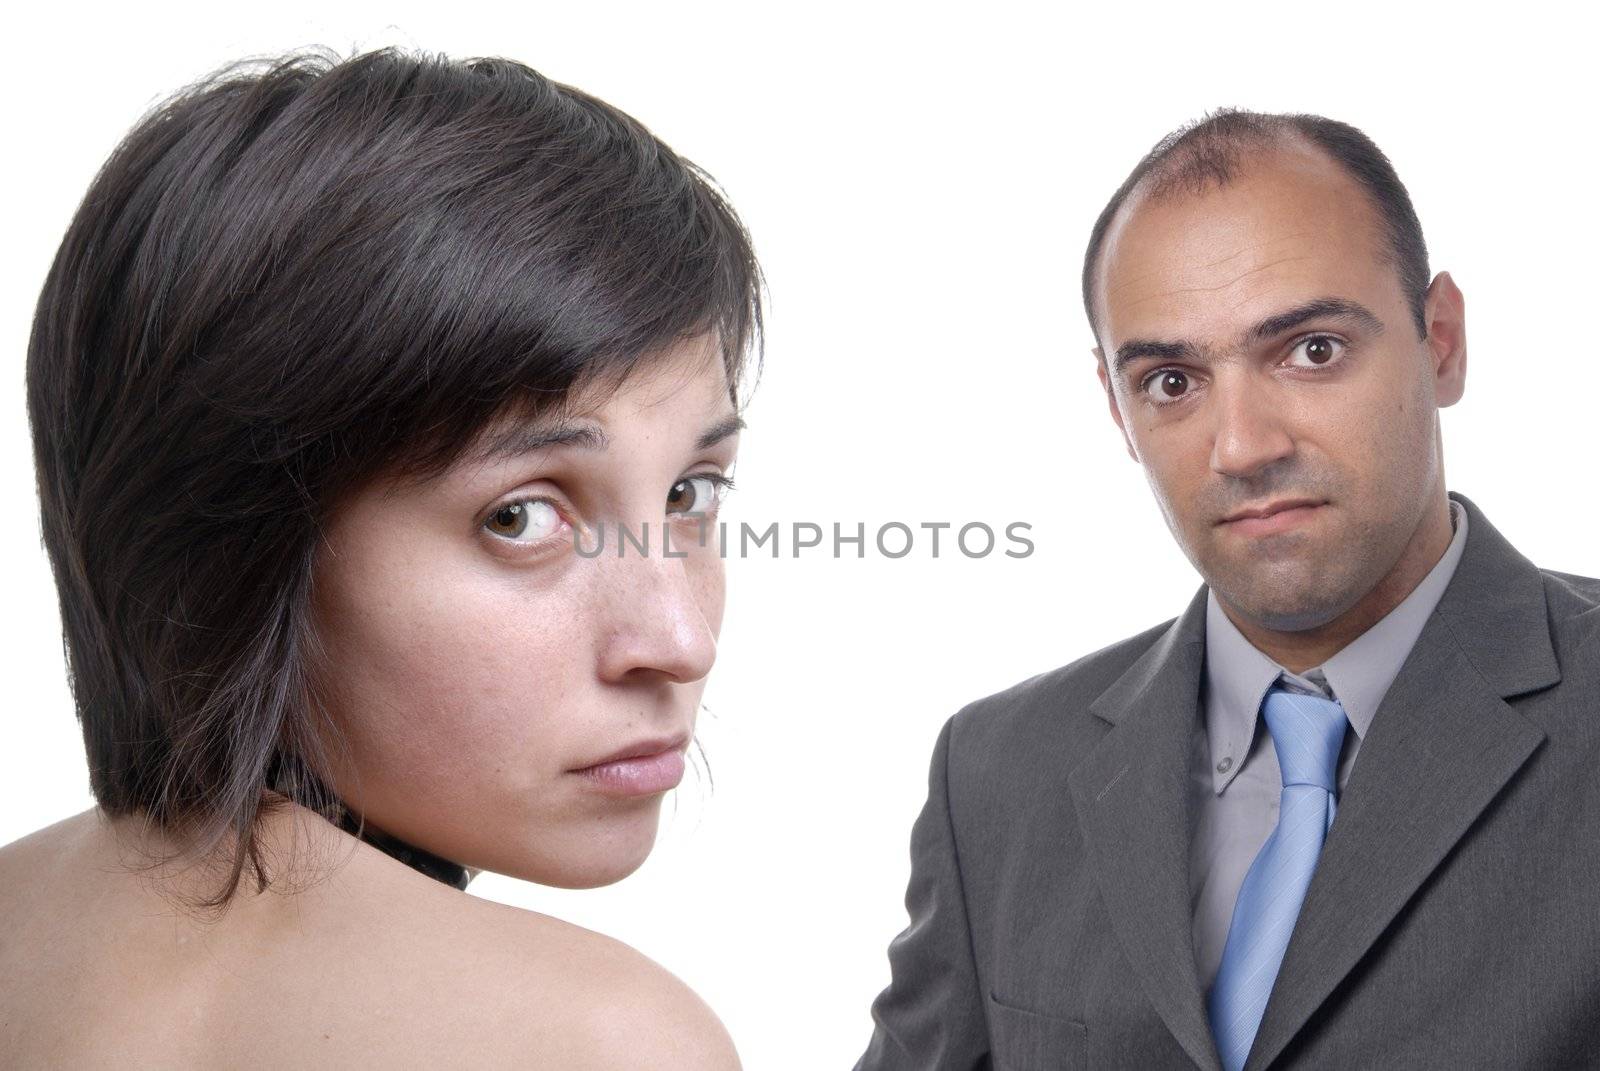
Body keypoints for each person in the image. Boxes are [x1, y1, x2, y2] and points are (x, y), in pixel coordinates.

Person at [0, 46, 760, 1068]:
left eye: (688, 495)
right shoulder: (596, 1039)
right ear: (231, 548)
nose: (679, 639)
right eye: (518, 517)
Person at [857, 109, 1600, 1070]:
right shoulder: (996, 774)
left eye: (1312, 350)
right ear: (1118, 412)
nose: (1243, 445)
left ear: (1442, 339)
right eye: (1171, 380)